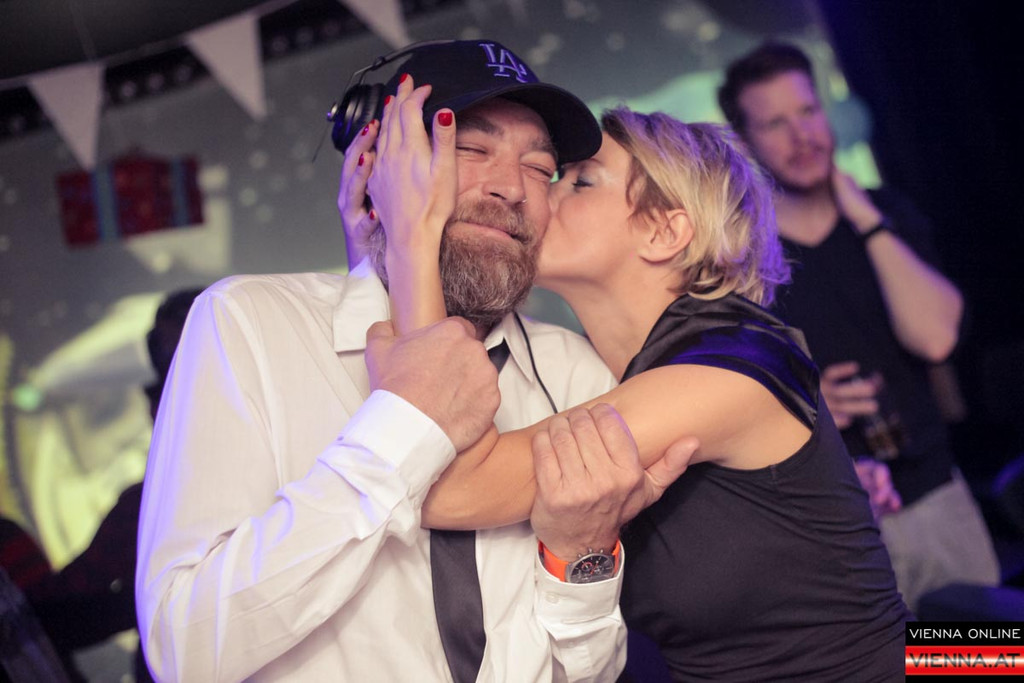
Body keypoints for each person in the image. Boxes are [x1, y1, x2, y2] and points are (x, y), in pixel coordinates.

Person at [136, 40, 692, 682]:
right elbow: (186, 652)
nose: (512, 187)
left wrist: (580, 556)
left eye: (540, 169)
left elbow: (591, 674)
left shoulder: (574, 372)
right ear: (375, 166)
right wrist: (403, 425)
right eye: (469, 148)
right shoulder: (251, 323)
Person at [351, 71, 909, 679]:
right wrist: (378, 257)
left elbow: (447, 483)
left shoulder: (725, 366)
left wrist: (412, 234)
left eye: (580, 182)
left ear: (664, 231)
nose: (540, 198)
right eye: (551, 177)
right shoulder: (609, 377)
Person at [717, 41, 1001, 612]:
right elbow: (722, 397)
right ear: (745, 143)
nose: (802, 135)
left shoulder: (884, 212)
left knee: (973, 654)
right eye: (776, 123)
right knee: (883, 661)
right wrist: (805, 398)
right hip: (830, 526)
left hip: (933, 496)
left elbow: (935, 338)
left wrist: (867, 220)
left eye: (808, 111)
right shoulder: (741, 260)